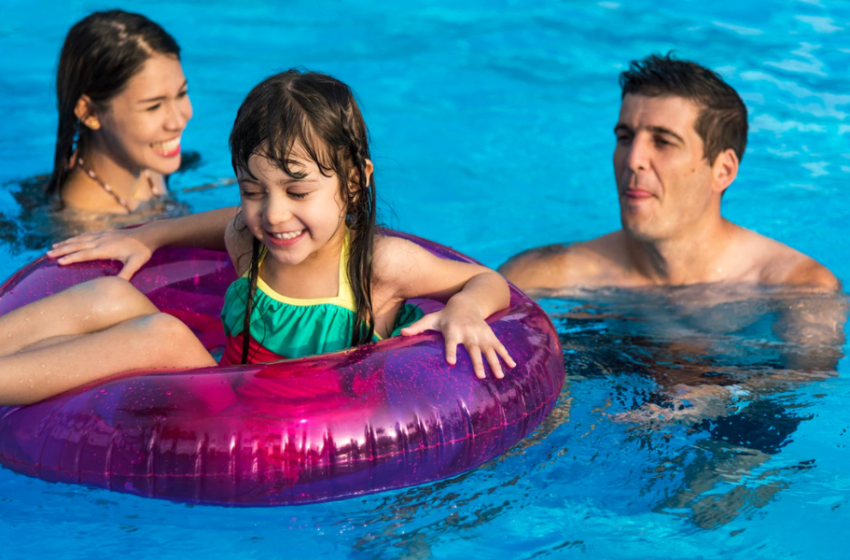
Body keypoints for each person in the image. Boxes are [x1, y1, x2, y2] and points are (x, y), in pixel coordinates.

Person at [0, 69, 515, 406]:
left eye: (297, 191)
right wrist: (152, 235)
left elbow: (486, 279)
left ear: (354, 182)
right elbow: (224, 221)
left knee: (165, 336)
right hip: (225, 408)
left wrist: (466, 309)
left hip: (292, 433)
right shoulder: (248, 237)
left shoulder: (381, 265)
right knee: (111, 293)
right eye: (253, 190)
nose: (273, 214)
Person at [500, 54, 839, 294]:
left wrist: (718, 395)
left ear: (722, 171)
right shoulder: (537, 275)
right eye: (625, 137)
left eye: (663, 142)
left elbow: (806, 381)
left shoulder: (798, 287)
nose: (633, 160)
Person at [46, 10, 192, 215]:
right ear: (89, 112)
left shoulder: (146, 162)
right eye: (153, 106)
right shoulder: (88, 228)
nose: (178, 121)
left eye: (181, 94)